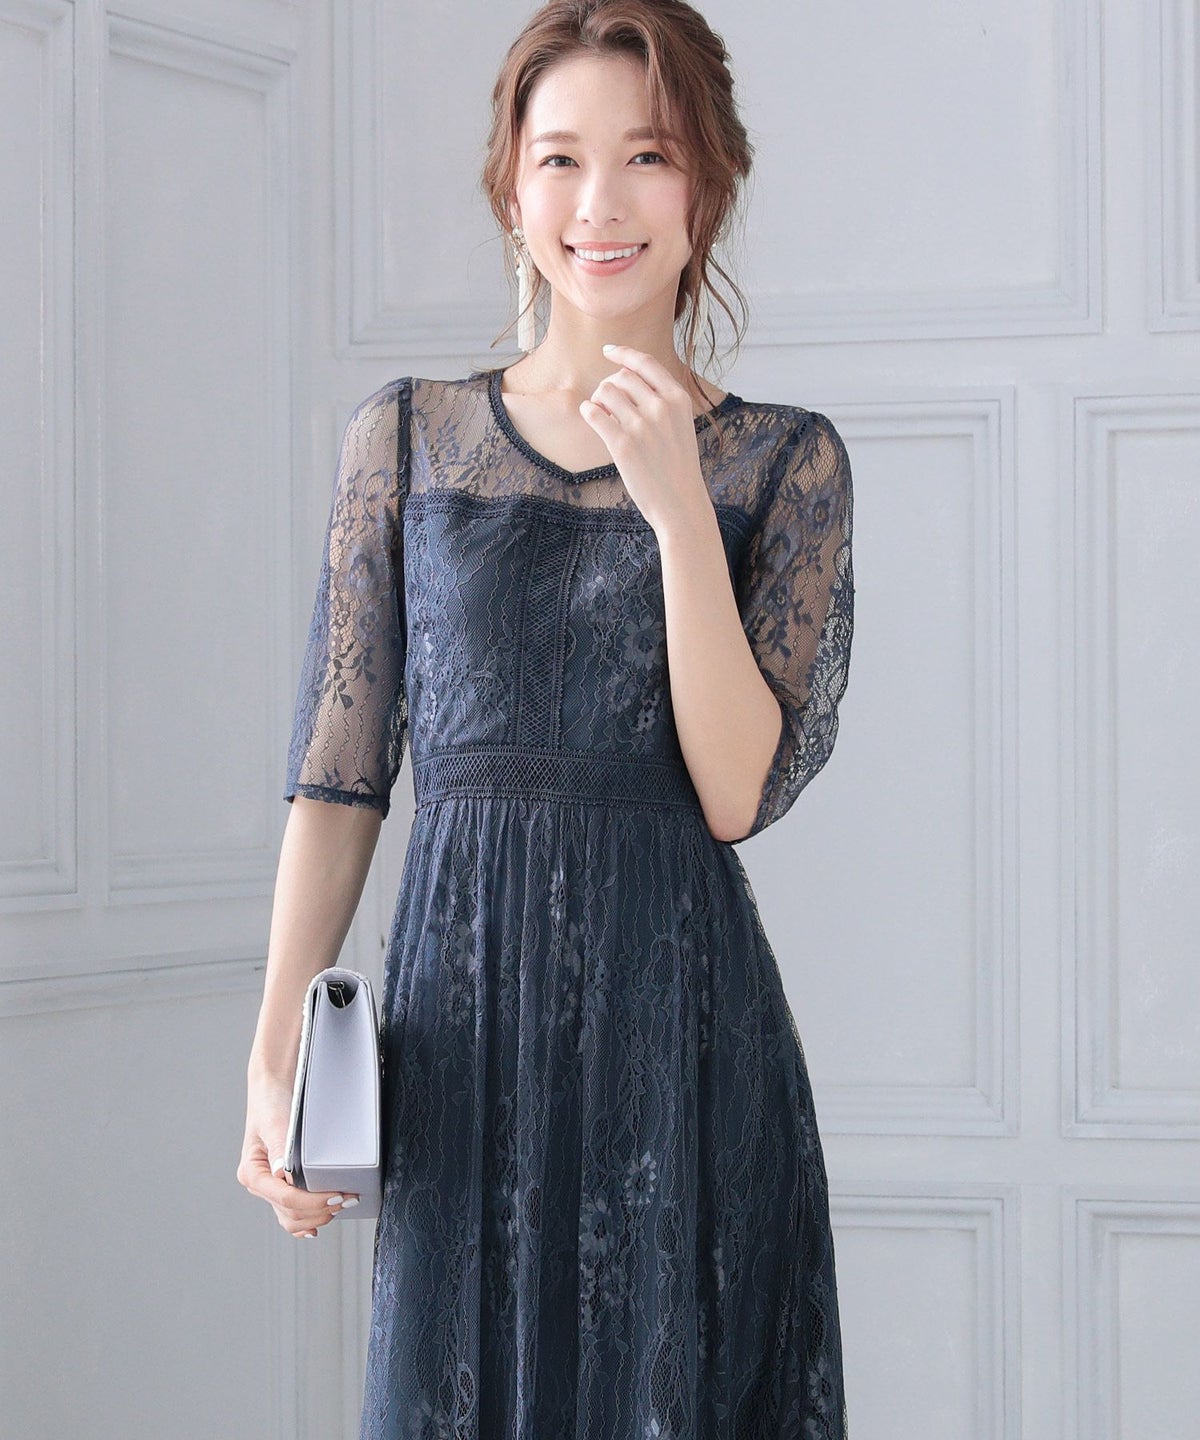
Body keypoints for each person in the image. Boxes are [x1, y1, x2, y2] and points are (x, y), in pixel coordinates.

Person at [237, 1, 855, 1436]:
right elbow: (341, 775)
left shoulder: (783, 463)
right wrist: (274, 1054)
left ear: (706, 185)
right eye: (561, 158)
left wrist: (678, 509)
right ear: (512, 188)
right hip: (459, 1029)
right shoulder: (407, 439)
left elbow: (733, 791)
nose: (600, 203)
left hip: (679, 1038)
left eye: (647, 156)